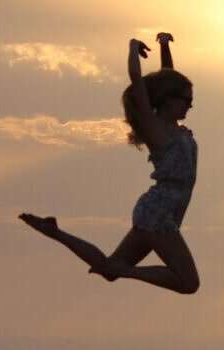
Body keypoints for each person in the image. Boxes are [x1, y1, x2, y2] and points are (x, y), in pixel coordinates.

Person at [19, 32, 200, 295]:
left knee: (108, 268)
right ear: (168, 99)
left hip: (161, 212)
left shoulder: (174, 127)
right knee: (188, 283)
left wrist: (163, 46)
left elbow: (167, 77)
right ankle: (127, 271)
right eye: (187, 100)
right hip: (158, 212)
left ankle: (55, 232)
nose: (191, 106)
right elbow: (138, 81)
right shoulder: (155, 128)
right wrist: (132, 48)